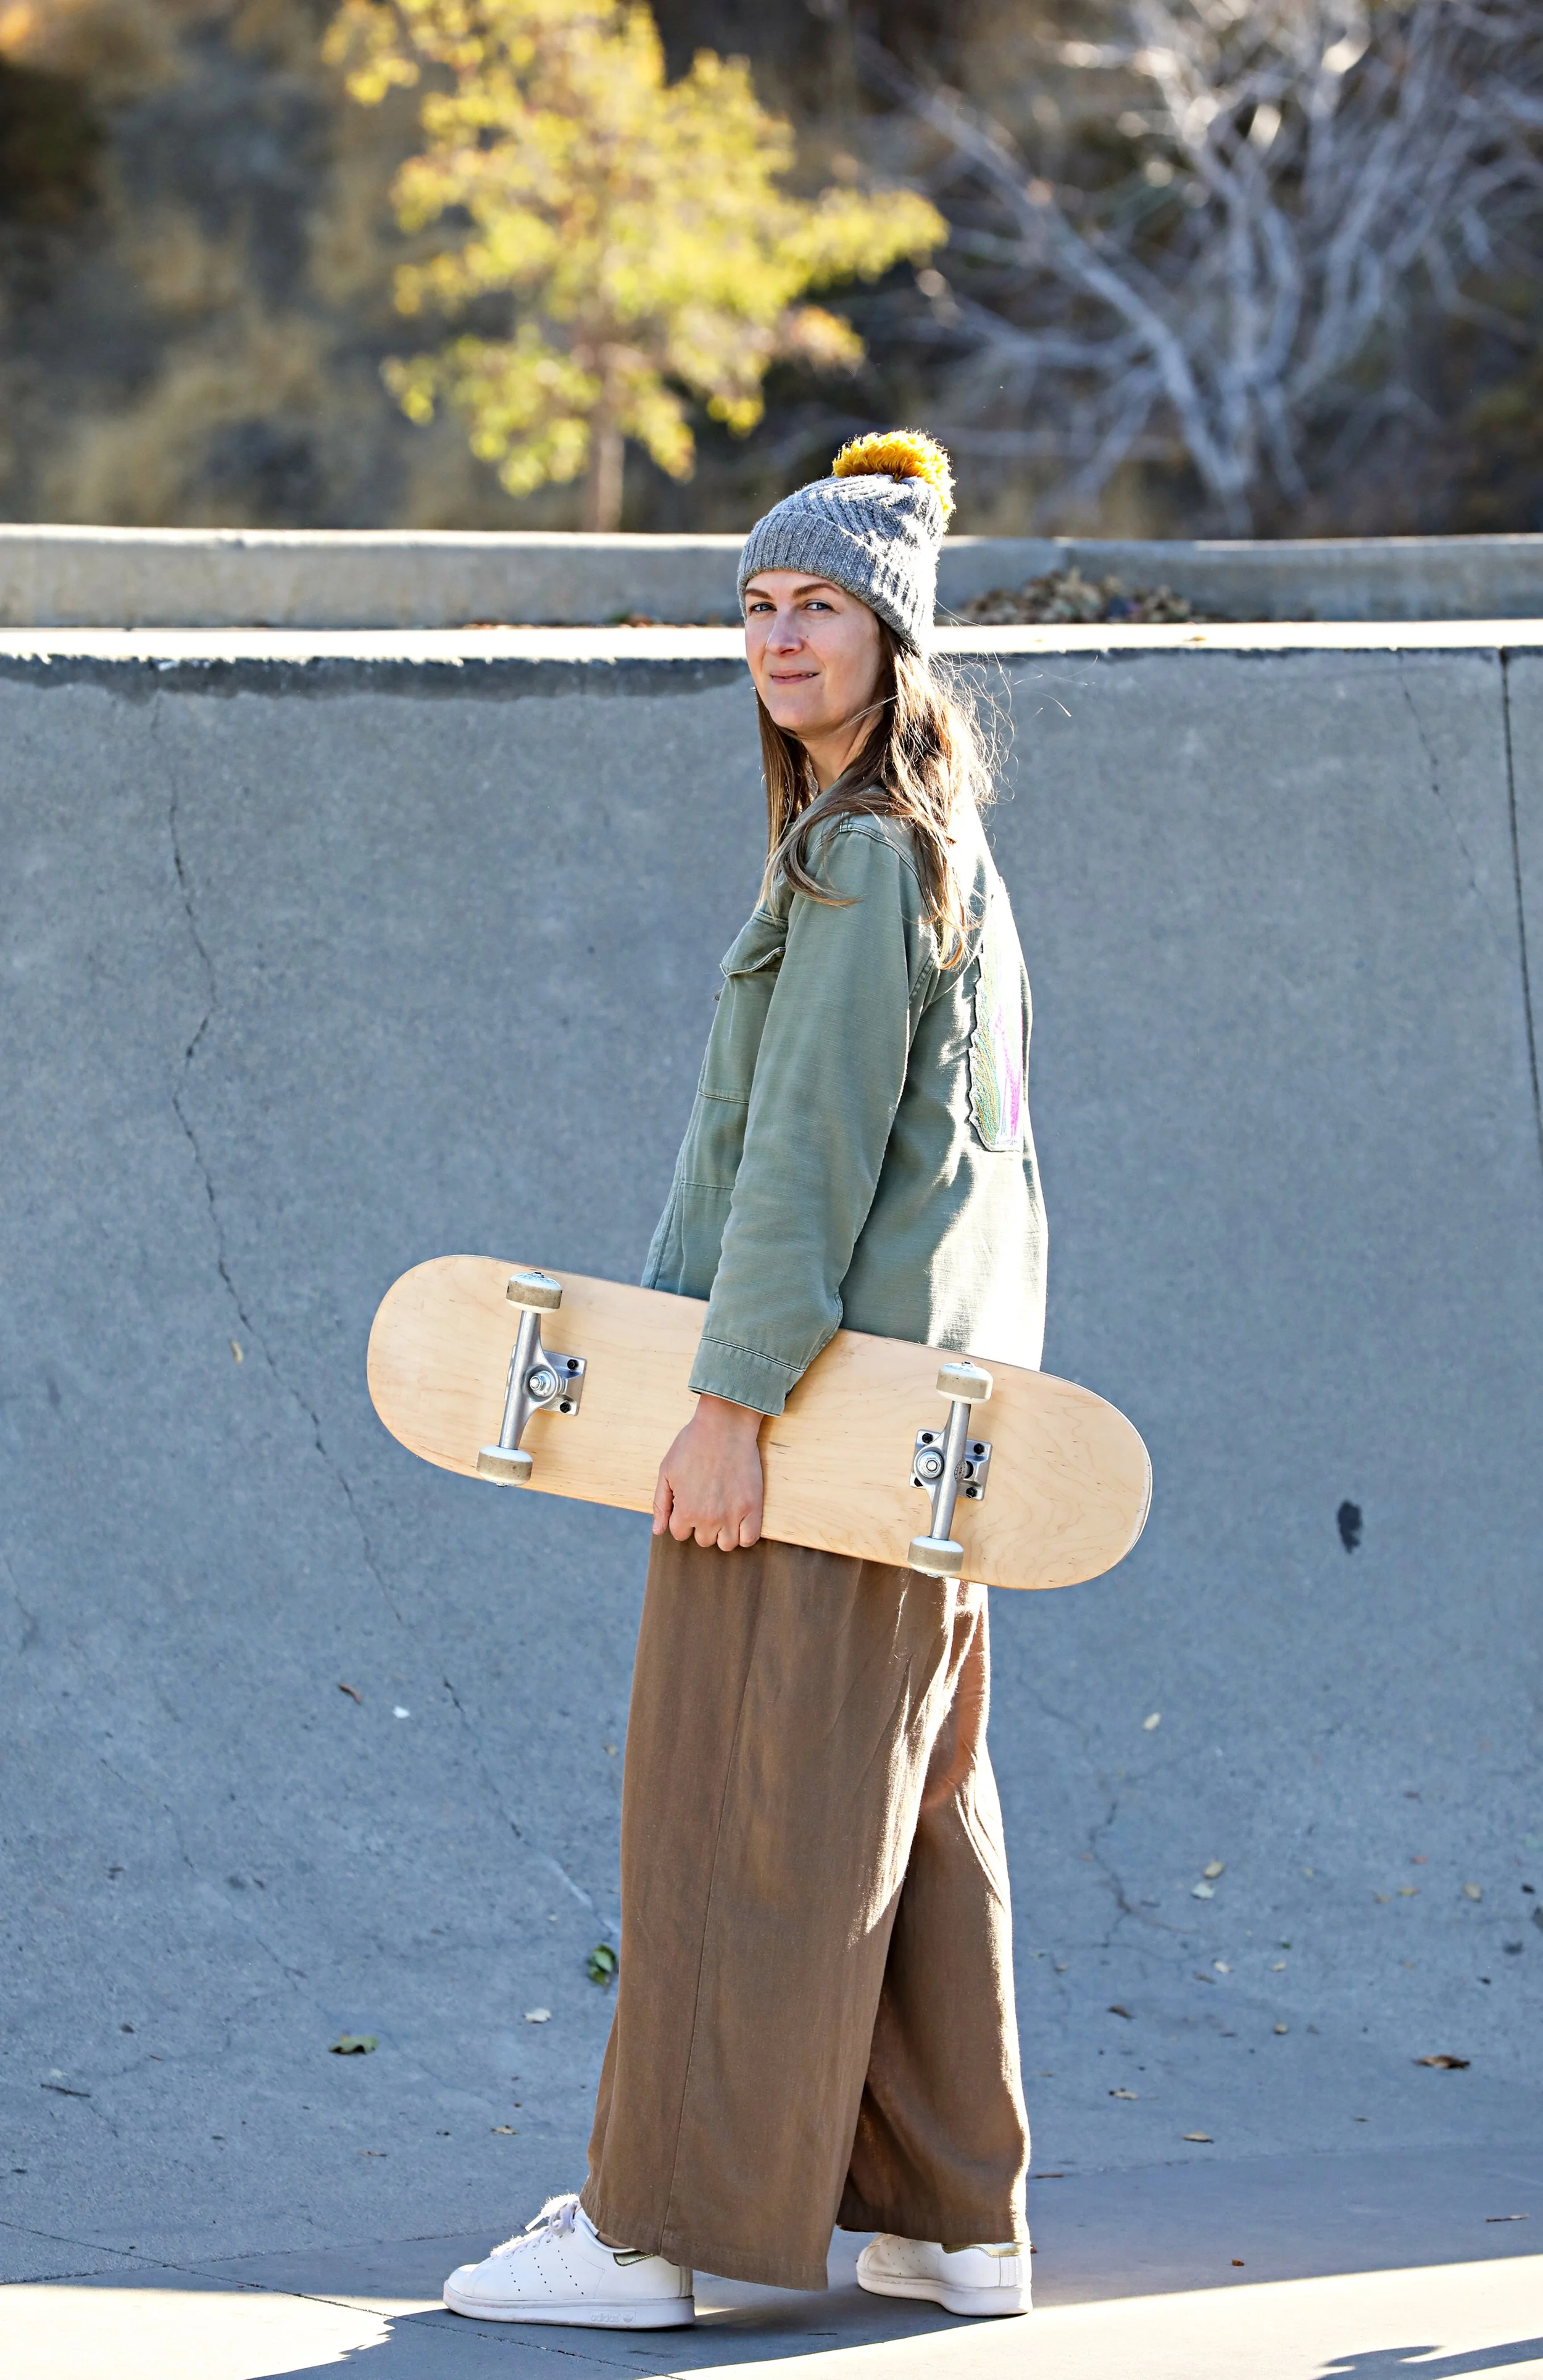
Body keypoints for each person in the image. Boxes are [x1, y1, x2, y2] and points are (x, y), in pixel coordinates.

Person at [444, 431, 1047, 2329]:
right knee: (907, 1811)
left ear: (894, 637)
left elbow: (805, 1158)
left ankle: (671, 2240)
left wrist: (730, 1404)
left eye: (821, 610)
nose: (781, 641)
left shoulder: (860, 860)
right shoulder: (945, 853)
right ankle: (952, 2221)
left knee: (737, 1801)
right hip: (929, 1433)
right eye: (758, 607)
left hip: (811, 1415)